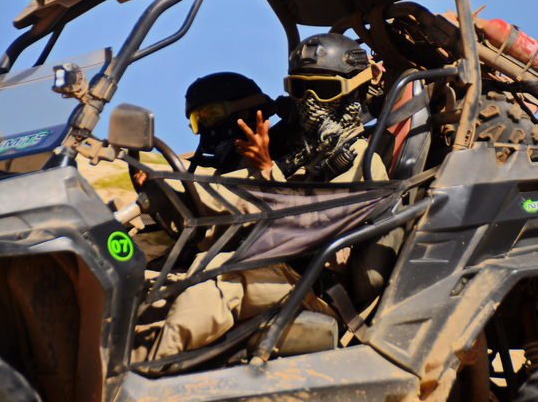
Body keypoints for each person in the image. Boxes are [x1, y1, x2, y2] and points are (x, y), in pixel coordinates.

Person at [145, 34, 389, 362]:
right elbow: (226, 196)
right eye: (301, 90)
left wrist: (266, 173)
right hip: (276, 267)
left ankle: (145, 374)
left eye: (326, 90)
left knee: (220, 274)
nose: (312, 102)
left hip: (314, 281)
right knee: (154, 280)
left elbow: (317, 226)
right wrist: (162, 195)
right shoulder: (302, 152)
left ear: (355, 91)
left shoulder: (362, 157)